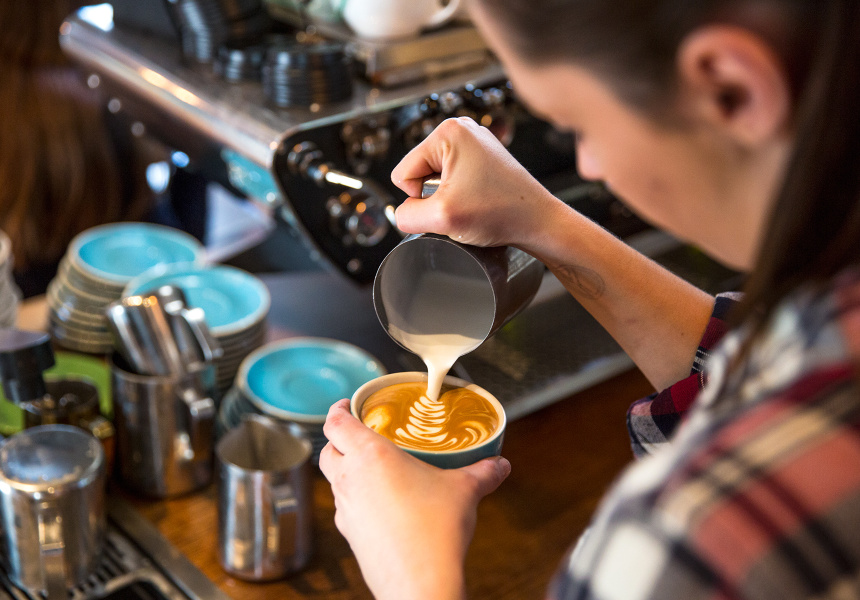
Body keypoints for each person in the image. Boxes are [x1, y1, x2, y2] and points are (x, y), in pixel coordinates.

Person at [320, 1, 860, 599]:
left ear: (732, 90)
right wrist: (539, 219)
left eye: (577, 125)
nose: (587, 165)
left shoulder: (690, 535)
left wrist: (413, 572)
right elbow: (741, 369)